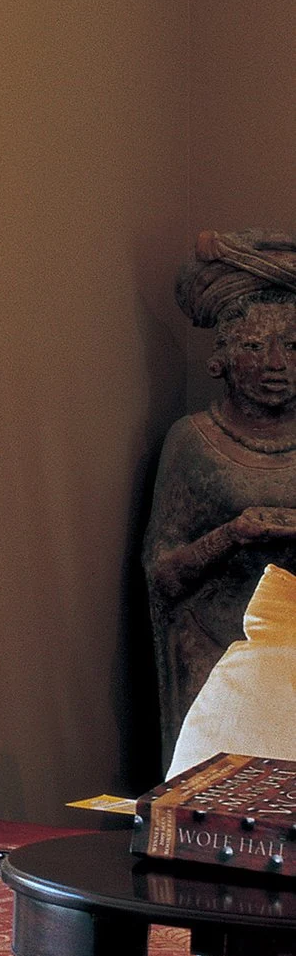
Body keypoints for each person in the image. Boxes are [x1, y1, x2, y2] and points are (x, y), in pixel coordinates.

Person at [147, 231, 296, 751]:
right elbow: (162, 574)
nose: (276, 364)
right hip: (213, 653)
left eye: (293, 346)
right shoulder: (193, 442)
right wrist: (231, 536)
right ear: (222, 357)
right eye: (255, 346)